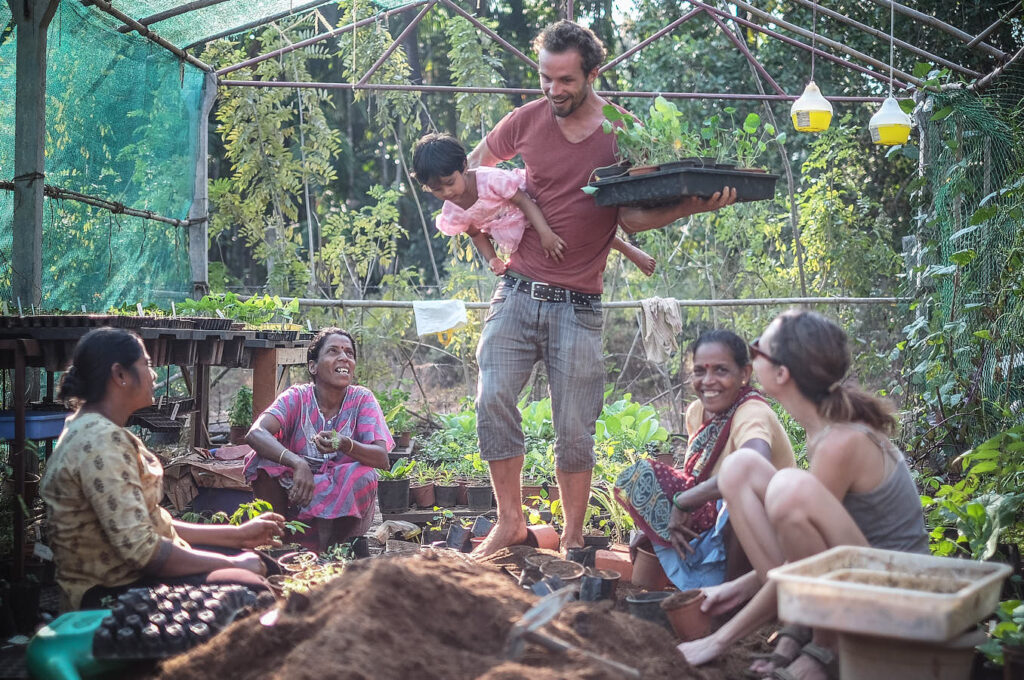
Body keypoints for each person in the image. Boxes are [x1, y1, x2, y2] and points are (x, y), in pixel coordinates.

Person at [468, 20, 736, 558]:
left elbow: (633, 217)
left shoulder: (622, 131)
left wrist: (688, 204)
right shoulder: (525, 121)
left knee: (574, 428)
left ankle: (569, 539)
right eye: (546, 78)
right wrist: (495, 227)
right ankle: (510, 521)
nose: (553, 90)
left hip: (578, 306)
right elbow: (477, 169)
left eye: (565, 80)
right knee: (491, 398)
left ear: (593, 74)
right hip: (517, 291)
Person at [677, 311, 928, 680]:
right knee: (740, 467)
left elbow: (811, 560)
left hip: (893, 596)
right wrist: (739, 586)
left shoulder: (840, 442)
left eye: (757, 349)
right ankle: (800, 628)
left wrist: (720, 640)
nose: (752, 356)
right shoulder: (821, 431)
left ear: (782, 375)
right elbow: (808, 554)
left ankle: (826, 646)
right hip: (857, 573)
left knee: (789, 488)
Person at [41, 328, 284, 610]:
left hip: (132, 575)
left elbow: (151, 520)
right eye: (146, 365)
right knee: (251, 586)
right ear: (120, 375)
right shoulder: (100, 441)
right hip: (106, 593)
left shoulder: (97, 431)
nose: (154, 375)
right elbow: (143, 551)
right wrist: (233, 562)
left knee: (259, 562)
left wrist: (237, 534)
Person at [614, 330, 795, 589]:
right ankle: (695, 576)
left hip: (769, 528)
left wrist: (683, 502)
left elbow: (752, 466)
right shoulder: (697, 412)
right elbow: (695, 478)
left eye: (721, 370)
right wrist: (651, 529)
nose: (708, 381)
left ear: (744, 374)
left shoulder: (752, 412)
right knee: (641, 475)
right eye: (700, 371)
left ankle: (733, 597)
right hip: (713, 513)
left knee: (735, 503)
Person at [412, 132, 657, 277]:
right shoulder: (453, 211)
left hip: (531, 204)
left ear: (464, 167)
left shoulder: (489, 180)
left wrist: (545, 233)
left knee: (571, 221)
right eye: (436, 189)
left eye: (449, 182)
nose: (447, 192)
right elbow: (476, 234)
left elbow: (523, 200)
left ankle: (626, 248)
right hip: (508, 227)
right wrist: (492, 259)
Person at [244, 327, 393, 552]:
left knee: (363, 474)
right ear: (313, 366)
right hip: (297, 491)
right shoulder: (297, 397)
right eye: (333, 351)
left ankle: (335, 549)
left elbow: (382, 458)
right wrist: (298, 463)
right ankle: (281, 542)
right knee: (261, 460)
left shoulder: (362, 399)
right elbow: (255, 433)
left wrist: (344, 443)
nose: (344, 357)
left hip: (342, 502)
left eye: (349, 353)